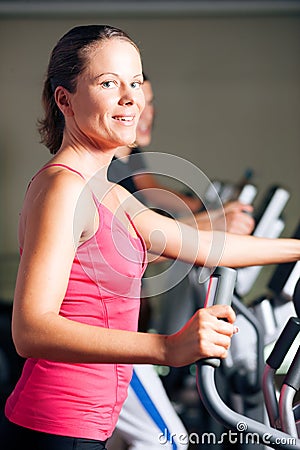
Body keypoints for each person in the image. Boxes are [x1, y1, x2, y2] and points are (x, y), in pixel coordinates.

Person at [0, 24, 299, 450]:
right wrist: (166, 347)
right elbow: (30, 330)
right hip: (56, 427)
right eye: (108, 83)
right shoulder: (62, 188)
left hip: (85, 426)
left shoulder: (110, 193)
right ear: (64, 99)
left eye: (136, 82)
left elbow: (213, 246)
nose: (131, 98)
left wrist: (297, 249)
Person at [107, 74, 255, 450]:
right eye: (131, 99)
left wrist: (210, 211)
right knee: (168, 441)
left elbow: (167, 205)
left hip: (131, 330)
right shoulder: (105, 173)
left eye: (148, 101)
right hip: (113, 339)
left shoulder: (130, 165)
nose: (143, 111)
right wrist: (211, 221)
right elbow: (144, 243)